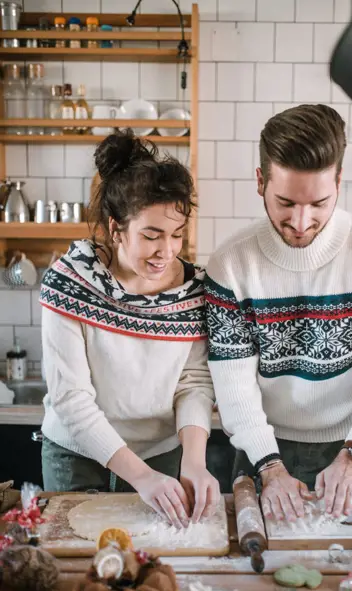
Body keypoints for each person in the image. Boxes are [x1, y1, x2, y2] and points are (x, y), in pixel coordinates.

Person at [205, 104, 352, 521]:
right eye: (285, 202)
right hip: (259, 445)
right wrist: (268, 465)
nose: (302, 222)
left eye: (318, 203)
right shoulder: (230, 265)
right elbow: (233, 383)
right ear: (259, 181)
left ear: (339, 182)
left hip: (350, 444)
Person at [40, 130, 219, 528]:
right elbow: (70, 399)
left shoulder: (195, 290)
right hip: (78, 457)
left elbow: (193, 382)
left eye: (178, 235)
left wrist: (193, 460)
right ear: (116, 228)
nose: (166, 251)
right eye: (151, 236)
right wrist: (138, 476)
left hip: (161, 454)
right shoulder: (70, 282)